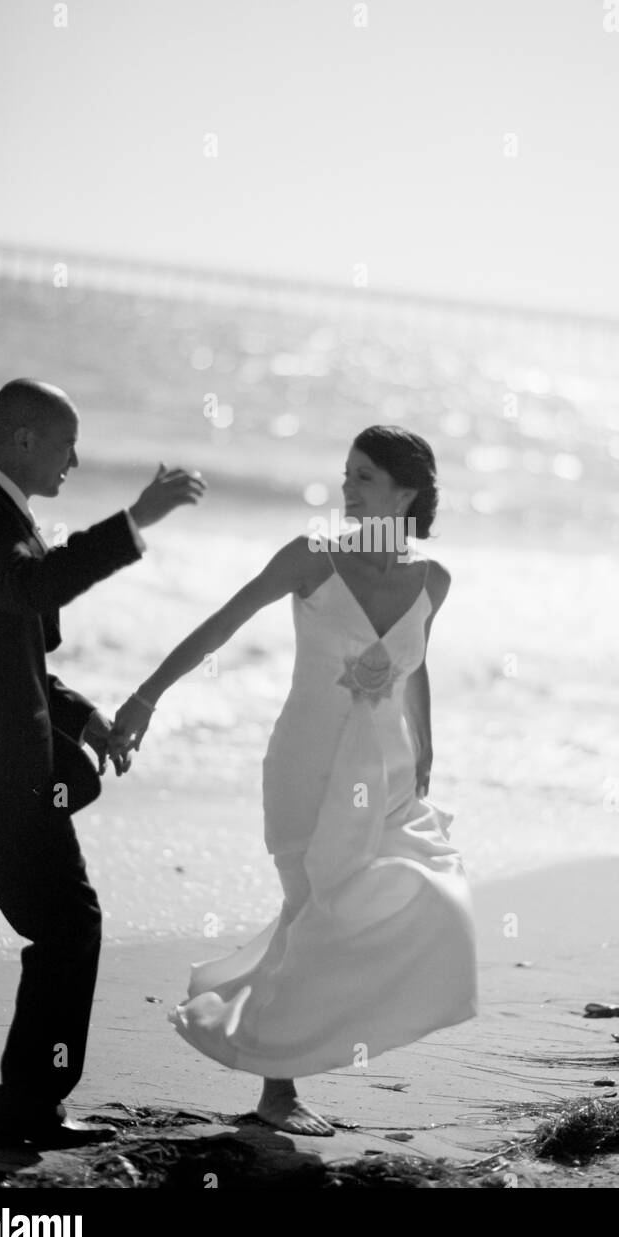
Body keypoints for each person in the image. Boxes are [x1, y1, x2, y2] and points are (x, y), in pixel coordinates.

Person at [112, 425, 477, 1136]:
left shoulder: (434, 579)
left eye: (364, 476)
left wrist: (427, 743)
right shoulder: (311, 559)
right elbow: (221, 624)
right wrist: (145, 697)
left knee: (427, 898)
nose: (347, 487)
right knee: (310, 910)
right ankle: (278, 1089)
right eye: (347, 474)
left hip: (387, 769)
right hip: (305, 766)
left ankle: (313, 1035)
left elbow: (416, 660)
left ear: (406, 492)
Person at [0, 378, 206, 1148]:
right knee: (69, 928)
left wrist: (84, 715)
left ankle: (28, 1105)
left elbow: (5, 658)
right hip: (2, 782)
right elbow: (32, 587)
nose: (76, 460)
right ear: (22, 440)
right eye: (65, 444)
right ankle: (27, 1111)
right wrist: (135, 523)